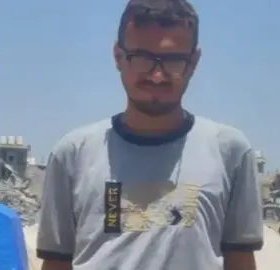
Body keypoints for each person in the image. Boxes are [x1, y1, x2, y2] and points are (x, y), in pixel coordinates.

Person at [36, 0, 263, 269]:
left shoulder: (231, 152)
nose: (157, 75)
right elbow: (56, 262)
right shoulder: (72, 154)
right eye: (142, 58)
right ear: (118, 57)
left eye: (173, 61)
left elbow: (240, 261)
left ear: (193, 62)